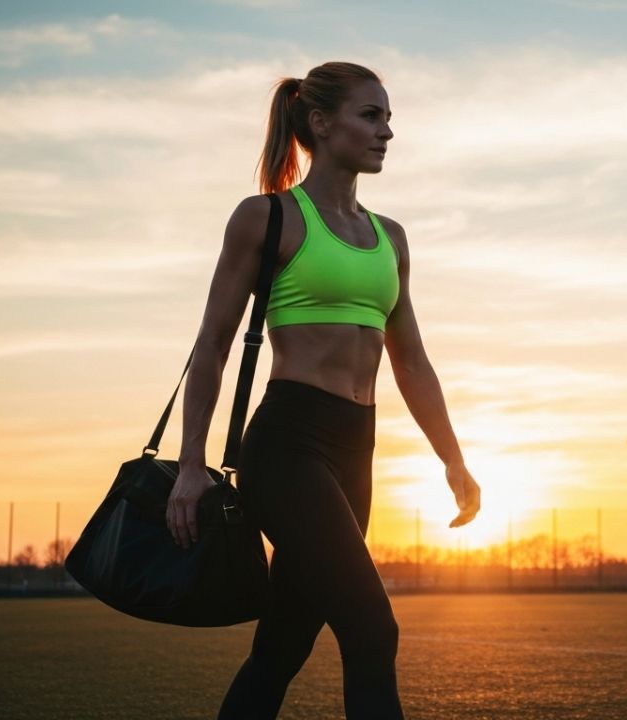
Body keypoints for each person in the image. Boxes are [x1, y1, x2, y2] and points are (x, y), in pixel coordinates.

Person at [165, 60, 481, 720]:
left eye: (390, 118)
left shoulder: (390, 238)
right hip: (287, 447)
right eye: (371, 116)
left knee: (281, 648)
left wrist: (453, 460)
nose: (387, 131)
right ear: (319, 122)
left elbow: (413, 362)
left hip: (353, 451)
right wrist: (190, 464)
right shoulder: (268, 219)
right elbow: (213, 345)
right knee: (372, 627)